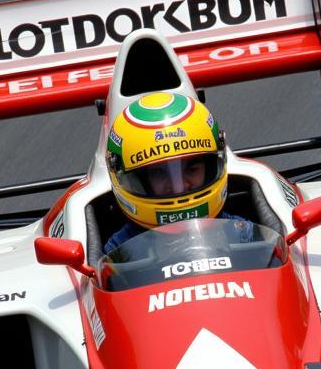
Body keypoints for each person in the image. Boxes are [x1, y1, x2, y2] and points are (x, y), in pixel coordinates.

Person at [104, 90, 252, 254]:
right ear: (137, 180)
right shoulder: (118, 254)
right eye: (159, 173)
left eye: (191, 169)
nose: (179, 187)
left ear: (211, 167)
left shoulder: (242, 234)